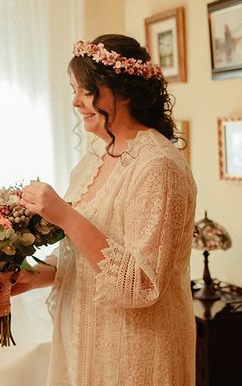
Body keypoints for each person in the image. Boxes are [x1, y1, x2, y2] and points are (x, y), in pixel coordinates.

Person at [17, 34, 197, 385]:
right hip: (84, 343)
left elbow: (139, 283)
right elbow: (85, 253)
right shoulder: (94, 159)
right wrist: (34, 276)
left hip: (135, 354)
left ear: (125, 93)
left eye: (87, 91)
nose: (75, 101)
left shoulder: (158, 166)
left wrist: (65, 215)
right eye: (74, 90)